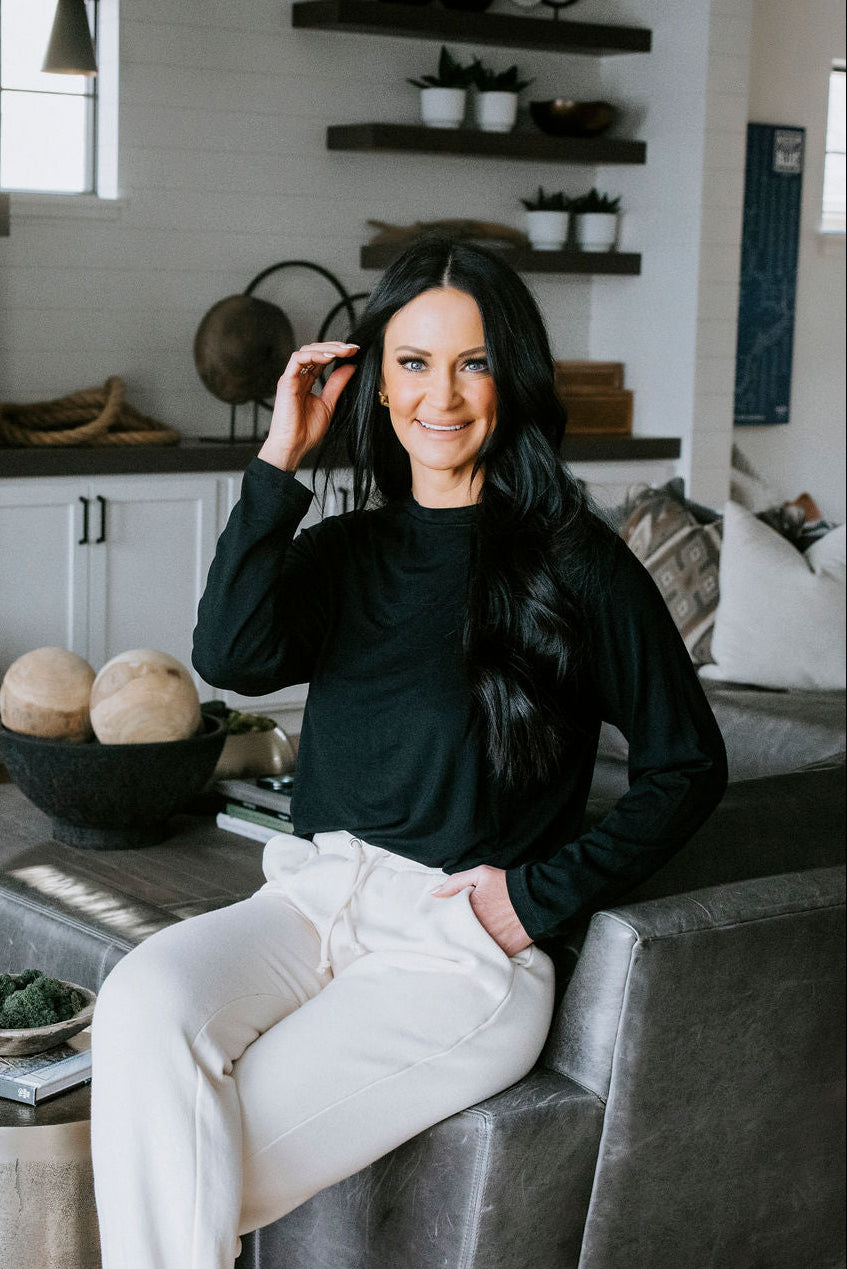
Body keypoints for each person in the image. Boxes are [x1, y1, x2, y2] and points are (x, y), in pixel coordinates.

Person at [90, 237, 727, 1268]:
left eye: (473, 363)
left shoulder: (575, 561)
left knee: (169, 1158)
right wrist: (280, 459)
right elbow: (229, 655)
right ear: (378, 384)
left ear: (511, 380)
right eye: (415, 362)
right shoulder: (348, 551)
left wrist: (534, 900)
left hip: (454, 954)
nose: (443, 394)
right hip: (312, 900)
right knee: (142, 1000)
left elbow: (687, 764)